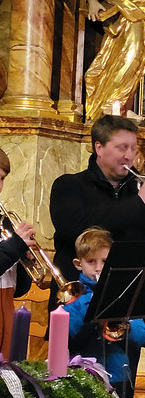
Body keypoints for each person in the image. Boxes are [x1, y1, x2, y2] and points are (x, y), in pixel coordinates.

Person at [49, 115, 145, 389]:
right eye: (121, 147)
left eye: (133, 148)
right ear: (99, 148)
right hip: (77, 312)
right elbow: (76, 228)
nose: (130, 155)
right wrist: (140, 201)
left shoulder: (141, 196)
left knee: (123, 387)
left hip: (128, 314)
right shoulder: (69, 186)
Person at [63, 227, 145, 398]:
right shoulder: (73, 297)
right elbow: (68, 332)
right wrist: (94, 301)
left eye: (105, 261)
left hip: (118, 375)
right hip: (83, 375)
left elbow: (142, 335)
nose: (99, 268)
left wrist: (126, 327)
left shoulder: (123, 295)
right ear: (78, 264)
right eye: (91, 261)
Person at [84, 0, 145, 121]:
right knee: (131, 56)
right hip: (126, 7)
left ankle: (122, 105)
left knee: (140, 61)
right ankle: (110, 103)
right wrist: (92, 0)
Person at [0, 148, 36, 360]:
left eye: (2, 179)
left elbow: (19, 290)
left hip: (5, 306)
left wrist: (25, 259)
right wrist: (15, 246)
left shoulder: (5, 223)